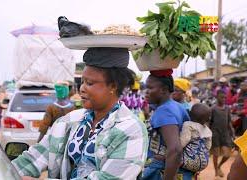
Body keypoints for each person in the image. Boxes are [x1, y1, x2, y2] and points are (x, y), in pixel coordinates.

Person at [12, 47, 149, 179]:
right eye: (82, 82)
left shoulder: (131, 130)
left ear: (113, 86)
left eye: (89, 83)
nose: (81, 89)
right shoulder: (69, 121)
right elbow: (34, 158)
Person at [142, 69, 192, 180]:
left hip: (161, 172)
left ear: (164, 90)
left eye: (150, 88)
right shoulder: (176, 106)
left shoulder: (164, 111)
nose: (146, 92)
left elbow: (175, 149)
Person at [180, 103, 212, 172]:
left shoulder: (188, 125)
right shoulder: (208, 130)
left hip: (191, 159)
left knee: (172, 158)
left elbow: (184, 140)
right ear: (207, 119)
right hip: (204, 162)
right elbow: (208, 146)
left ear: (190, 114)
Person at [210, 90, 234, 177]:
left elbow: (229, 122)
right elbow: (209, 122)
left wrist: (232, 132)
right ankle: (216, 169)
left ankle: (219, 166)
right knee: (216, 154)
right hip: (215, 134)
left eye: (225, 97)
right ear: (217, 97)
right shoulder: (213, 109)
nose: (223, 99)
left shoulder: (227, 108)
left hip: (225, 134)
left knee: (227, 154)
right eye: (221, 97)